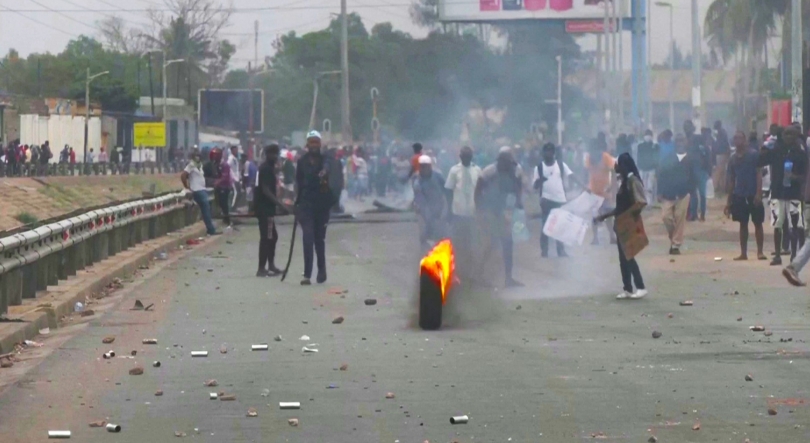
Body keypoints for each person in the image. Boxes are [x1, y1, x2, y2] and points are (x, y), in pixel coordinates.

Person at [594, 153, 648, 299]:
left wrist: (628, 218)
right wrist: (604, 216)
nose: (615, 167)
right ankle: (628, 288)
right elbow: (620, 207)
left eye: (617, 164)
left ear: (623, 166)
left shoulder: (632, 181)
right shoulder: (624, 181)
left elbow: (641, 202)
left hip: (628, 223)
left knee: (628, 256)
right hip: (621, 224)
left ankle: (641, 286)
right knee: (623, 258)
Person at [758, 125, 807, 265]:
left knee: (794, 225)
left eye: (792, 134)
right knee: (777, 225)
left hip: (794, 194)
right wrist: (765, 149)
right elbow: (761, 161)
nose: (789, 137)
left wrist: (794, 177)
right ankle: (778, 255)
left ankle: (793, 254)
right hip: (777, 192)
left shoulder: (800, 153)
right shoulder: (777, 151)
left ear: (796, 136)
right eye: (786, 134)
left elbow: (805, 176)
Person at [475, 146, 524, 287]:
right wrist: (479, 208)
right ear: (500, 161)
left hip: (506, 211)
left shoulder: (516, 170)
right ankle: (479, 274)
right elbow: (478, 189)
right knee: (490, 244)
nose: (508, 165)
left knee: (508, 245)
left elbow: (518, 185)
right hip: (491, 211)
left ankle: (508, 278)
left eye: (509, 162)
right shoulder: (489, 171)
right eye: (505, 162)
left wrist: (519, 201)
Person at [295, 130, 339, 285]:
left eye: (316, 142)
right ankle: (307, 274)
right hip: (306, 205)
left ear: (320, 144)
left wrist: (324, 172)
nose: (314, 145)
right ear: (307, 144)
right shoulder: (302, 161)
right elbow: (299, 183)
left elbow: (328, 166)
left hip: (321, 205)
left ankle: (322, 270)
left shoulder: (325, 159)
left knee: (319, 240)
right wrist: (297, 204)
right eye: (311, 142)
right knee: (308, 238)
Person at [724, 130, 766, 261]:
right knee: (743, 224)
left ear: (745, 139)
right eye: (735, 138)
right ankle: (744, 253)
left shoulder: (753, 155)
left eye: (740, 138)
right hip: (739, 195)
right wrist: (729, 201)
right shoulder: (732, 159)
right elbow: (731, 180)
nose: (738, 141)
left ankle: (760, 252)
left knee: (758, 223)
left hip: (753, 194)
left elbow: (759, 174)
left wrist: (759, 193)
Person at [534, 143, 578, 257]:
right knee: (545, 226)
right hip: (546, 200)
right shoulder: (539, 167)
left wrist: (584, 187)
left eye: (550, 151)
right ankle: (544, 251)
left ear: (553, 153)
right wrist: (540, 181)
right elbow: (534, 186)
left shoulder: (561, 165)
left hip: (560, 200)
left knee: (560, 226)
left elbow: (572, 176)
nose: (548, 154)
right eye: (546, 151)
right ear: (543, 153)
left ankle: (561, 250)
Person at [255, 144, 291, 277]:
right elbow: (265, 190)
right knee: (267, 237)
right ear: (267, 154)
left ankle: (270, 265)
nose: (275, 157)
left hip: (266, 208)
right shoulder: (265, 169)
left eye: (276, 154)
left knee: (272, 237)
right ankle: (261, 268)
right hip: (265, 208)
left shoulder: (269, 168)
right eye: (273, 154)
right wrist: (280, 205)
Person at [444, 146, 481, 270]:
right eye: (464, 156)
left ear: (471, 157)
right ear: (460, 157)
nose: (466, 158)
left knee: (471, 240)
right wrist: (449, 210)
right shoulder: (454, 170)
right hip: (458, 212)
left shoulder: (477, 170)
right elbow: (448, 191)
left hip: (472, 211)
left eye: (468, 156)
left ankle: (469, 266)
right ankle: (457, 266)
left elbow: (480, 190)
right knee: (458, 240)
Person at [658, 133, 695, 255]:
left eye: (682, 141)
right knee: (666, 217)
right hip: (668, 194)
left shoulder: (690, 159)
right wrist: (659, 192)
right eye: (678, 141)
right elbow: (661, 175)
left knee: (680, 218)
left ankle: (675, 245)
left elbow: (694, 178)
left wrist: (690, 191)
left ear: (686, 143)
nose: (680, 143)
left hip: (683, 194)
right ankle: (674, 237)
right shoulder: (668, 158)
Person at [586, 137, 617, 245]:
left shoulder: (606, 157)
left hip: (605, 191)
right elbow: (587, 173)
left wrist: (613, 189)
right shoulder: (589, 158)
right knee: (595, 216)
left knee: (608, 215)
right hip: (593, 191)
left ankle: (612, 237)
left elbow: (613, 173)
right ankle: (595, 238)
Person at [413, 155, 448, 250]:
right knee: (425, 229)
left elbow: (446, 189)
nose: (424, 168)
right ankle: (424, 251)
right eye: (422, 166)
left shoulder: (438, 175)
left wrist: (447, 205)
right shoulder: (417, 179)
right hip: (424, 207)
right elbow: (418, 195)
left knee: (439, 229)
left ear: (430, 166)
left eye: (426, 166)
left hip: (438, 205)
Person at [181, 149, 218, 236]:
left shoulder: (200, 166)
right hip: (197, 190)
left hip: (202, 189)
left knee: (206, 209)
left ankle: (210, 228)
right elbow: (183, 176)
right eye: (196, 156)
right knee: (206, 208)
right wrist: (187, 186)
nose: (198, 157)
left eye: (199, 155)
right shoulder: (191, 165)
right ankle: (211, 229)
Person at [686, 122, 713, 222]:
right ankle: (695, 214)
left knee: (700, 194)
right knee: (694, 194)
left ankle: (701, 214)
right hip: (693, 172)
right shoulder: (687, 145)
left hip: (700, 172)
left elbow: (708, 158)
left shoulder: (699, 145)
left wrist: (708, 171)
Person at [636, 129, 660, 205]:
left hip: (651, 169)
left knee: (650, 186)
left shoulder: (655, 146)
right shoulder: (640, 146)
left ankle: (649, 202)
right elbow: (638, 157)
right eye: (647, 135)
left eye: (649, 135)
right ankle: (643, 201)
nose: (648, 137)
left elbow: (657, 158)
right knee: (643, 186)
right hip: (642, 168)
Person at [212, 149, 232, 228]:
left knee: (224, 203)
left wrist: (217, 182)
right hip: (219, 187)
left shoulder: (224, 165)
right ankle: (224, 217)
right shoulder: (215, 164)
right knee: (219, 202)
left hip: (225, 186)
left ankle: (227, 219)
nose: (214, 156)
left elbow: (225, 176)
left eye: (216, 155)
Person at [713, 120, 731, 197]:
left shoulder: (720, 133)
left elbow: (723, 143)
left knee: (720, 170)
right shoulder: (722, 132)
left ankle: (717, 186)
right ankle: (721, 187)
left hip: (721, 153)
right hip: (722, 153)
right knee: (722, 171)